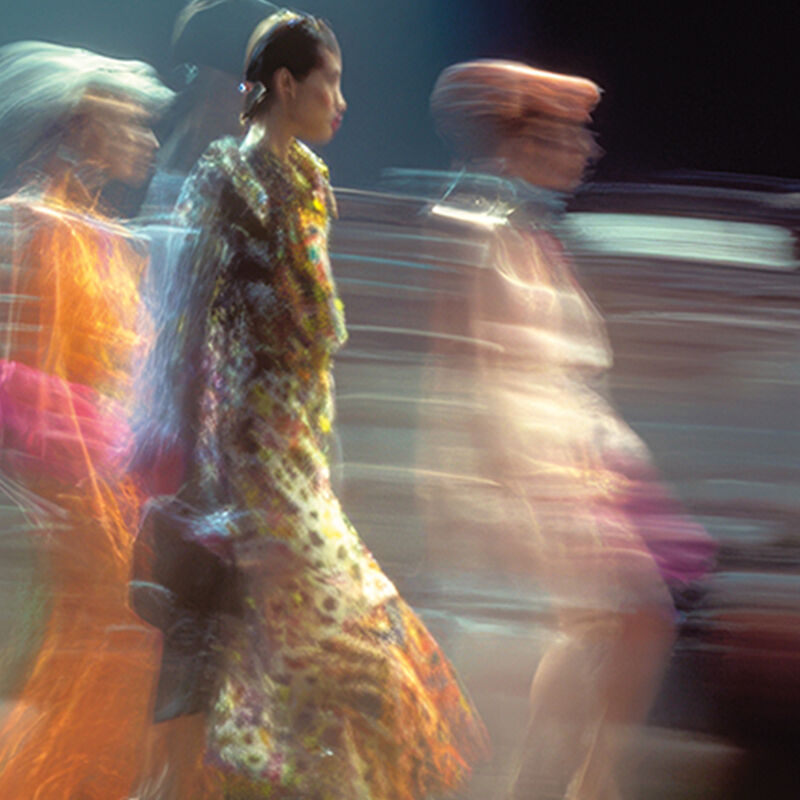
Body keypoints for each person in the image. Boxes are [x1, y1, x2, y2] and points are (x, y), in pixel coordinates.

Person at [135, 9, 488, 799]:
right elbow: (192, 338)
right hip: (253, 486)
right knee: (330, 682)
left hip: (305, 480)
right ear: (287, 85)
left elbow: (313, 359)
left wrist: (327, 468)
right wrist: (208, 494)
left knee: (335, 693)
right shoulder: (226, 177)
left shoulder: (315, 185)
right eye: (332, 81)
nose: (344, 101)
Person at [425, 60, 713, 800]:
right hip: (525, 473)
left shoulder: (528, 234)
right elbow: (467, 376)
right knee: (612, 619)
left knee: (620, 621)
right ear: (525, 141)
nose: (588, 151)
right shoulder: (476, 230)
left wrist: (612, 464)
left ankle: (576, 780)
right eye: (571, 134)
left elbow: (564, 372)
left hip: (570, 466)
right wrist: (505, 489)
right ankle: (571, 783)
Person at [0, 41, 174, 798]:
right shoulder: (33, 226)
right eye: (126, 122)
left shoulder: (114, 241)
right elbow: (15, 378)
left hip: (124, 489)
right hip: (78, 495)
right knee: (104, 651)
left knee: (121, 656)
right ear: (79, 128)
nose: (146, 138)